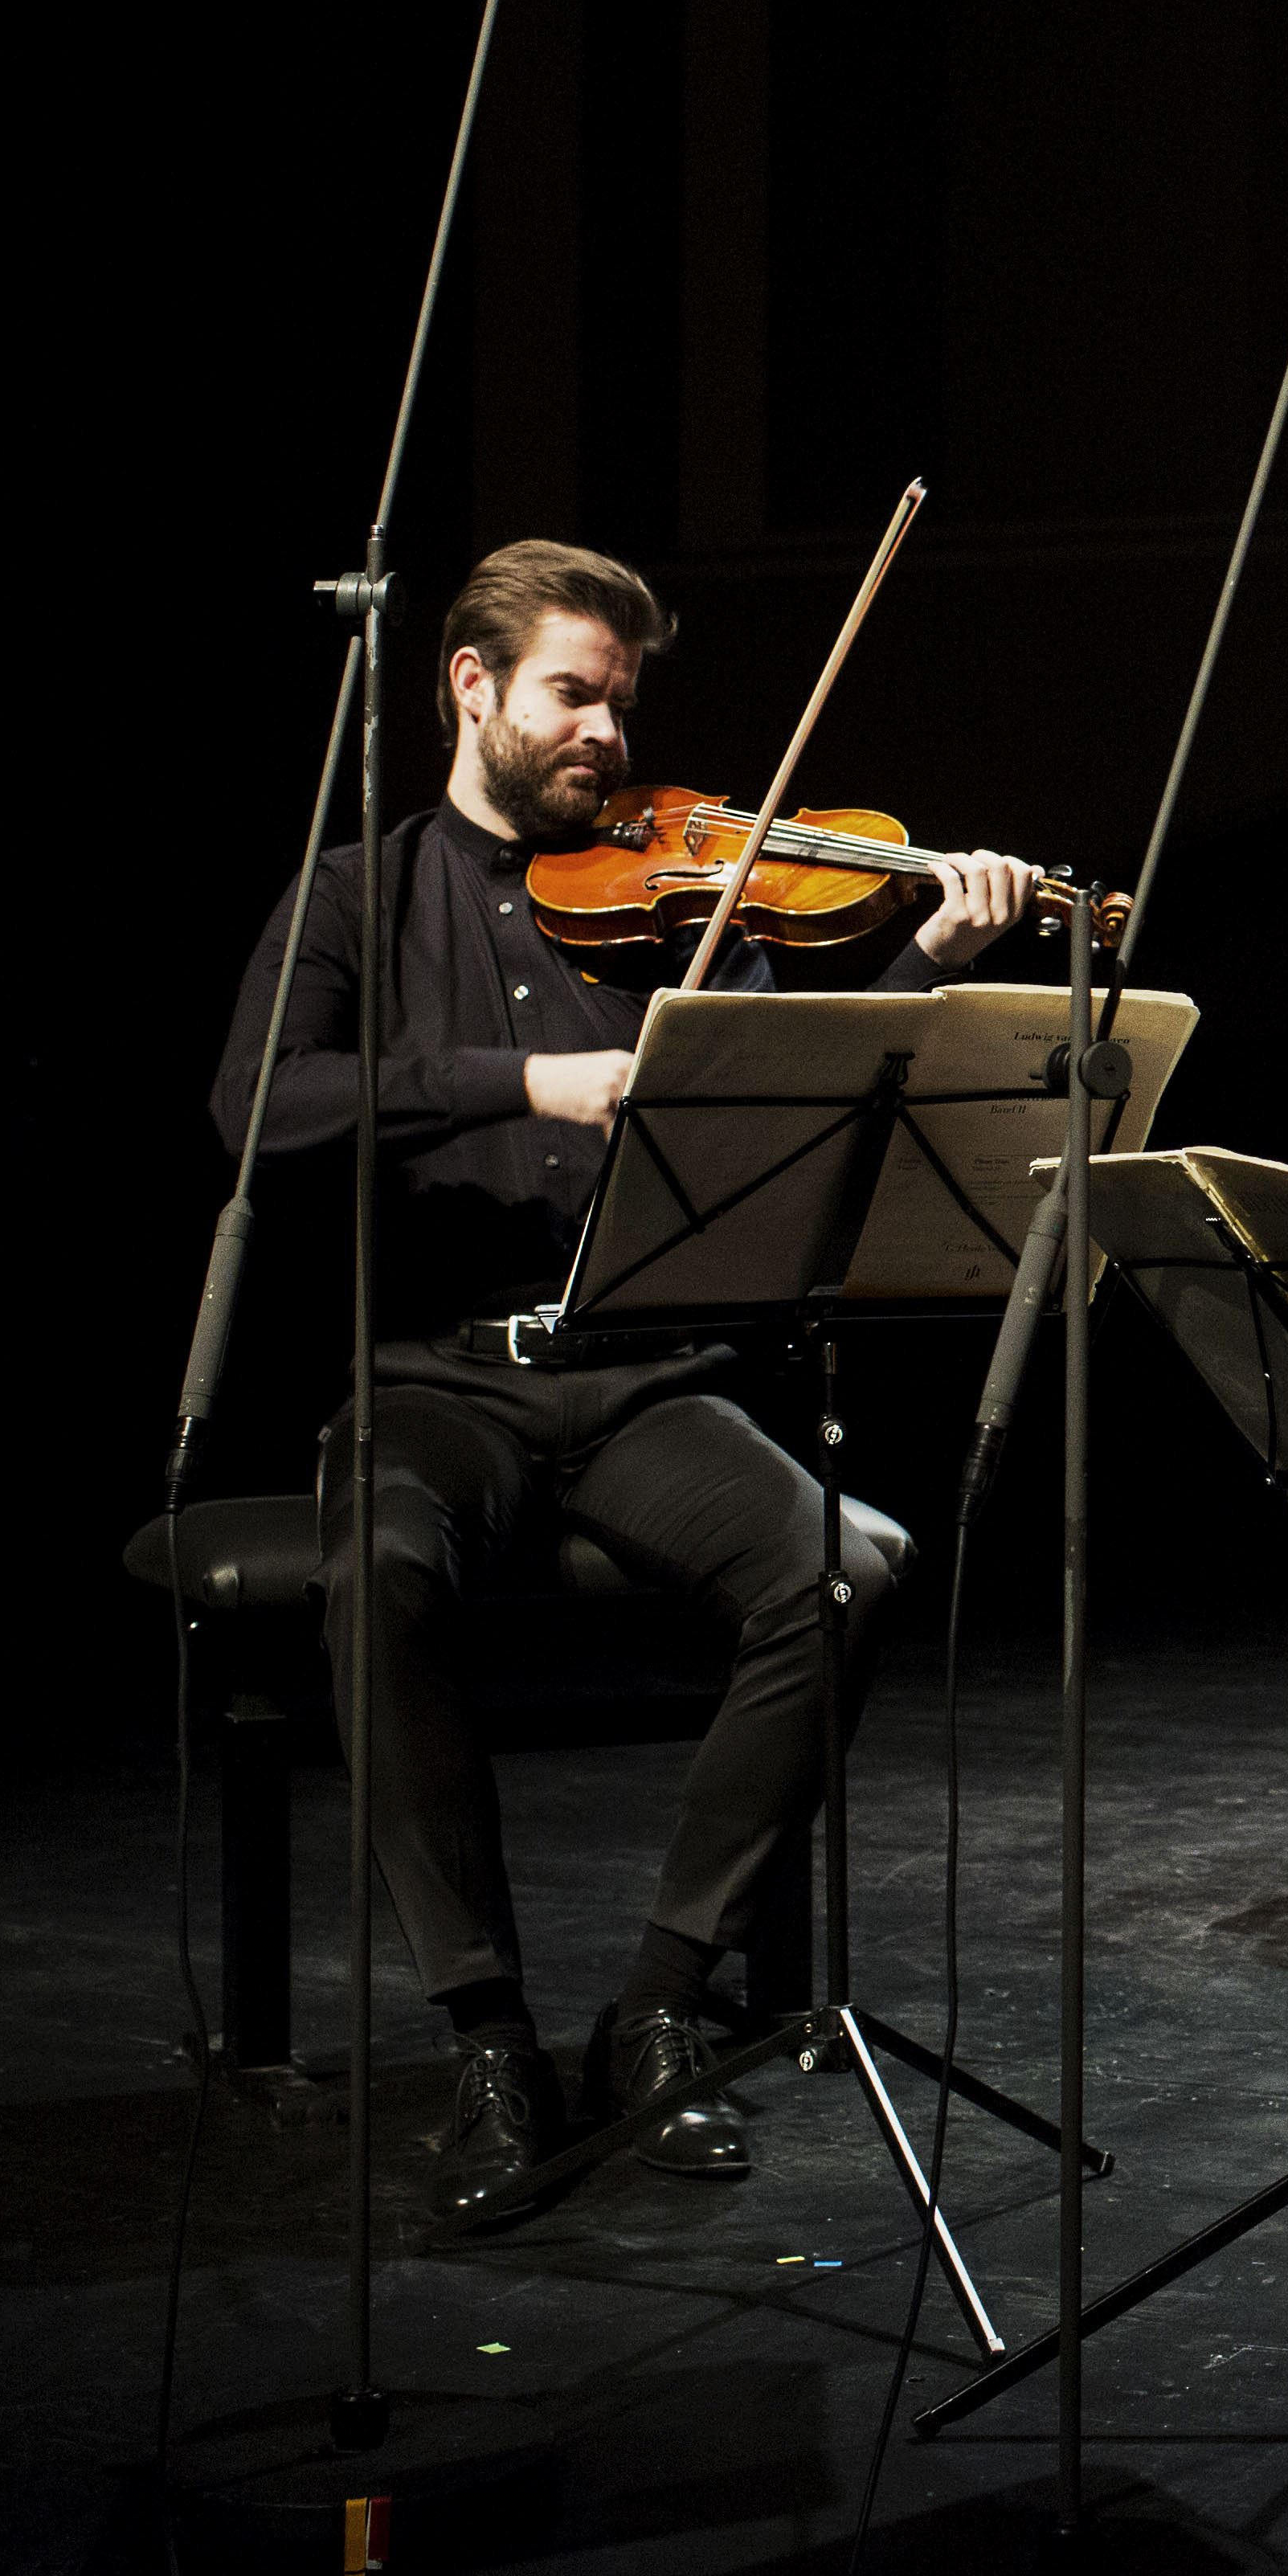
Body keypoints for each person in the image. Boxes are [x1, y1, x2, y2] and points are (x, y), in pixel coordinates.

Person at [205, 540, 1043, 2222]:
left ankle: (663, 1998)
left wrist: (923, 970)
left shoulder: (686, 896)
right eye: (572, 694)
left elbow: (793, 1101)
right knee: (379, 1566)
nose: (605, 732)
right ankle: (486, 2030)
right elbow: (259, 1106)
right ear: (471, 687)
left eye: (620, 701)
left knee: (846, 1565)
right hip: (433, 1382)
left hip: (636, 1382)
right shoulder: (360, 896)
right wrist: (529, 1074)